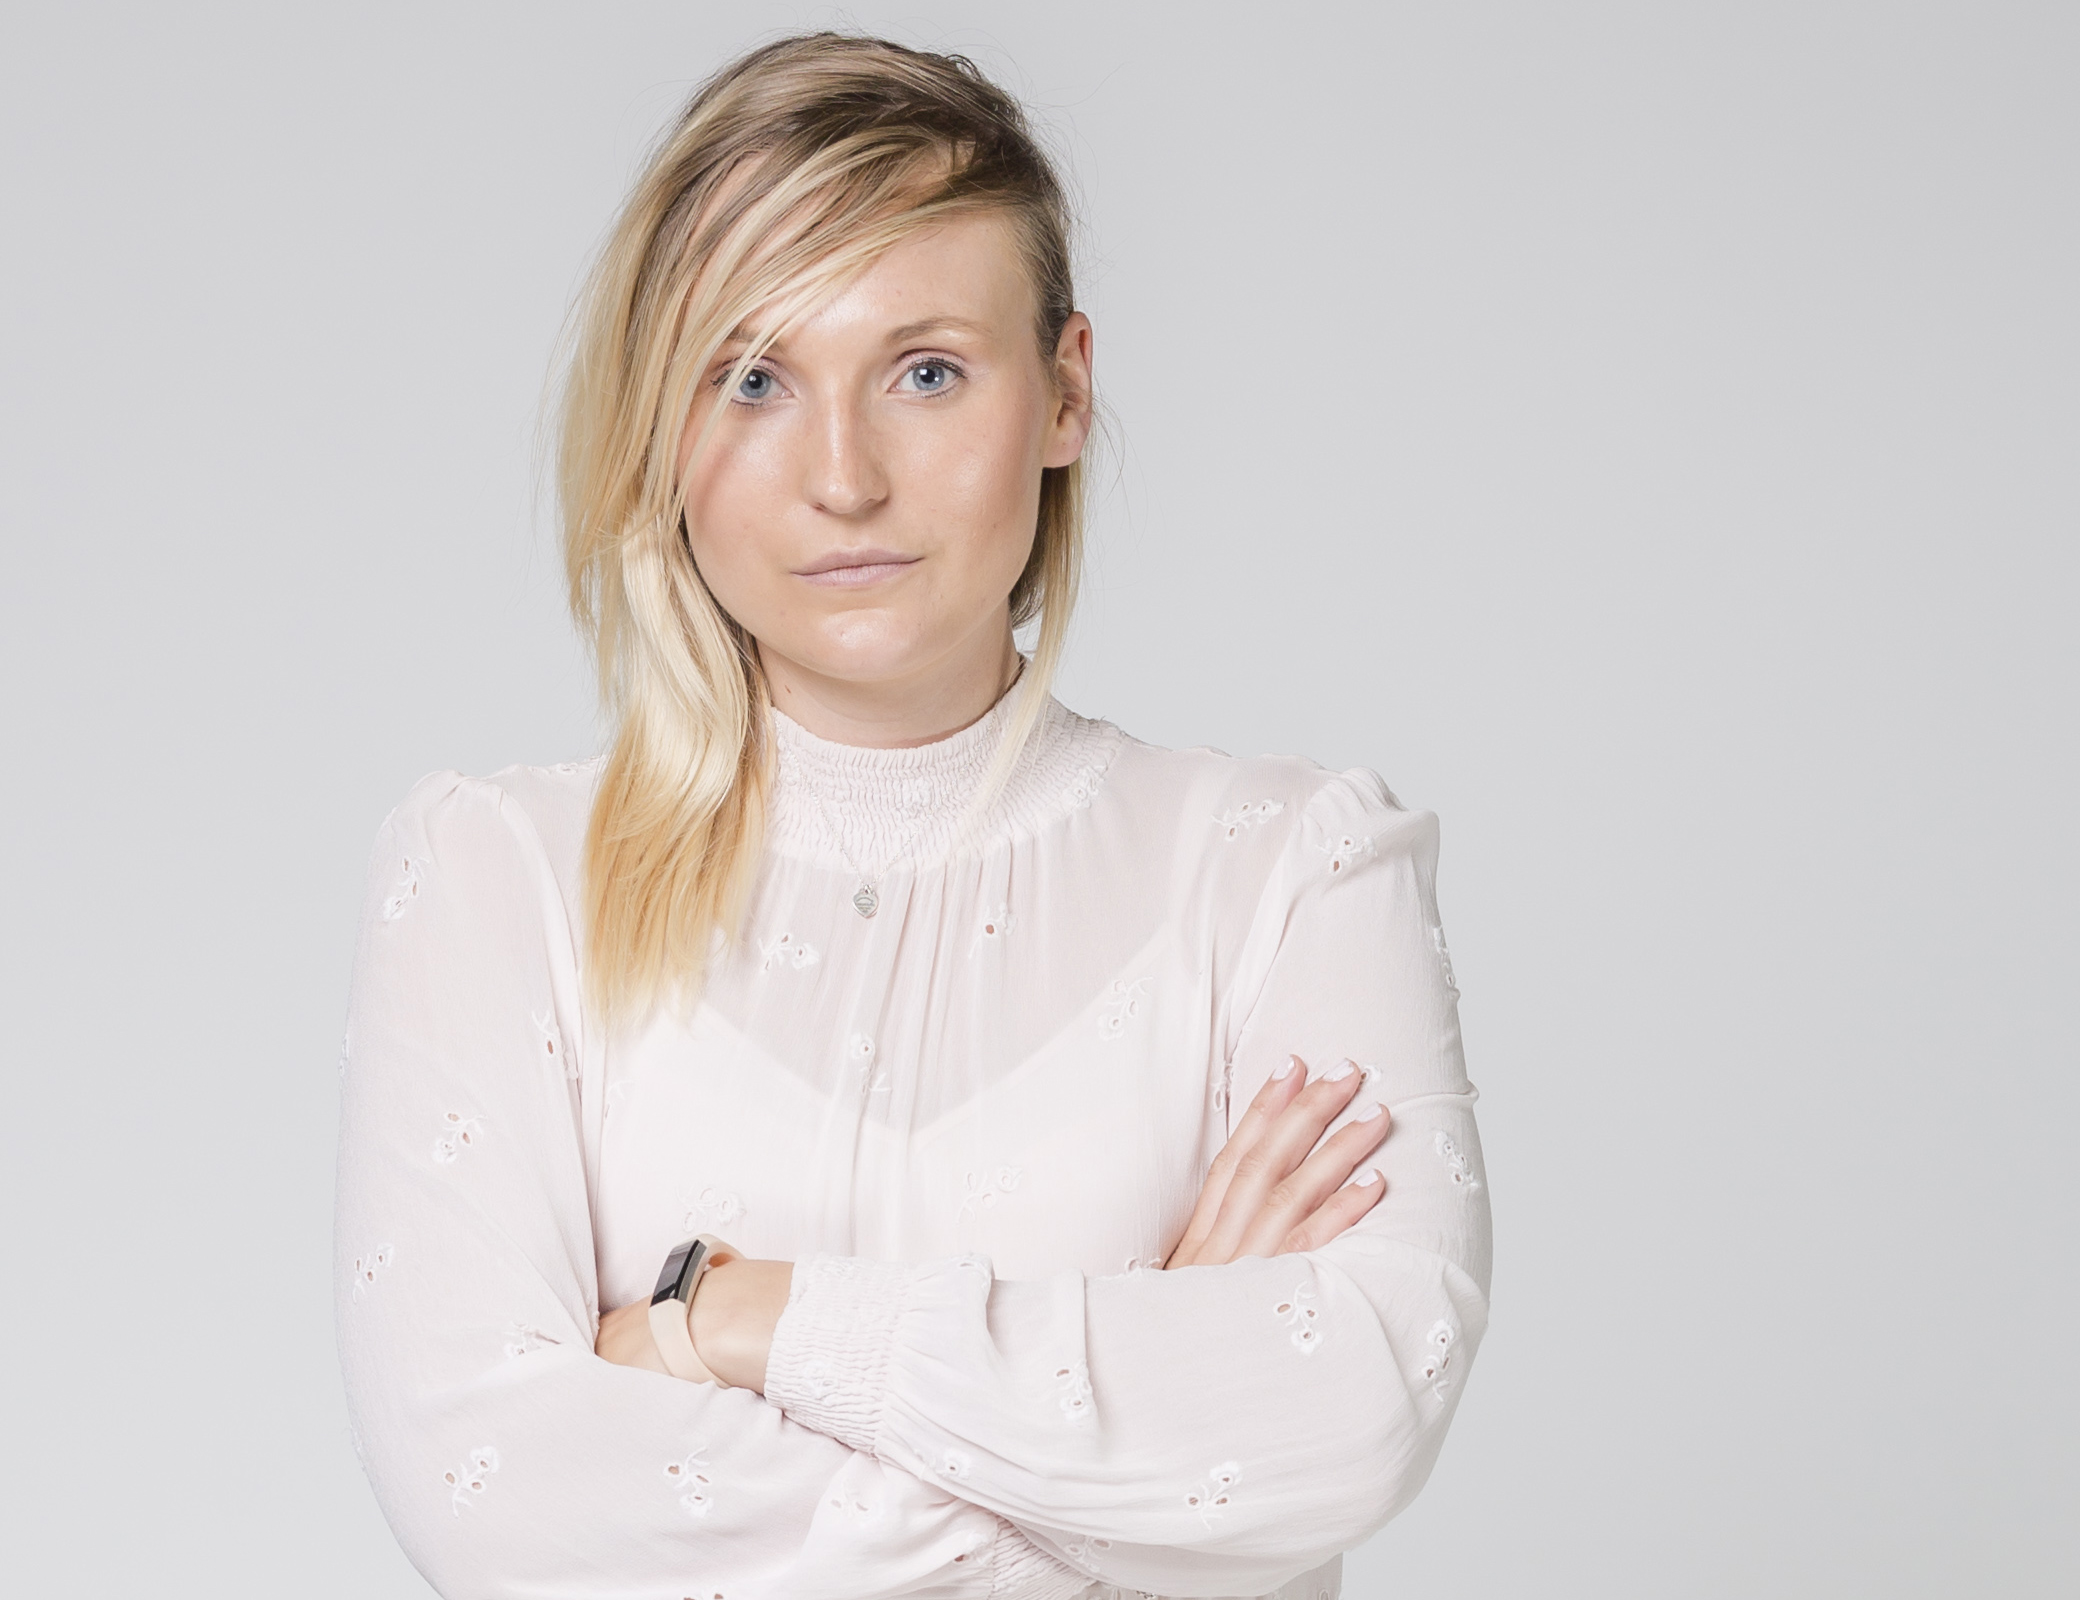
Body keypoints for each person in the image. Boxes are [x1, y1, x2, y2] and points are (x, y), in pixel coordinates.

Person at [334, 32, 1489, 1600]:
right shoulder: (499, 879)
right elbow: (495, 1501)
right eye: (753, 378)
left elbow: (1354, 1413)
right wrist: (1138, 1465)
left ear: (1065, 391)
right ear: (662, 424)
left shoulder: (1293, 872)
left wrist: (728, 1323)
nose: (843, 476)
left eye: (926, 371)